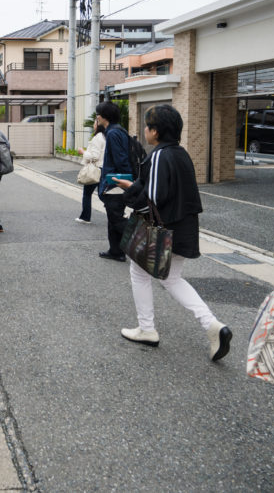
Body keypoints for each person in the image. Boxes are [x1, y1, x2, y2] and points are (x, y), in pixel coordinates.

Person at [113, 104, 232, 362]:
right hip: (184, 227)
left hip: (163, 230)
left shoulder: (159, 155)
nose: (145, 130)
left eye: (147, 126)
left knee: (139, 272)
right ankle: (212, 325)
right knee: (172, 278)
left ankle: (147, 329)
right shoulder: (181, 154)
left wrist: (131, 191)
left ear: (155, 131)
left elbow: (154, 198)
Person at [95, 101, 132, 261]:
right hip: (116, 182)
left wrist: (121, 182)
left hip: (116, 183)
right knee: (112, 218)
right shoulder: (117, 131)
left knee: (116, 218)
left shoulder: (113, 133)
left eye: (98, 114)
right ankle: (116, 251)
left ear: (105, 116)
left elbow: (121, 160)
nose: (97, 117)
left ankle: (145, 242)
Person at [76, 117, 105, 223]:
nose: (93, 125)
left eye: (94, 123)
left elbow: (94, 156)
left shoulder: (97, 137)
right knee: (102, 194)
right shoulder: (105, 136)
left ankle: (85, 217)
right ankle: (120, 212)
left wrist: (83, 152)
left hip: (95, 169)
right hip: (103, 168)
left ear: (98, 125)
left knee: (87, 194)